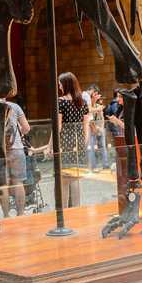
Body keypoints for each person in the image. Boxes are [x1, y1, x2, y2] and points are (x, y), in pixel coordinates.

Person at [57, 72, 89, 207]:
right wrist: (84, 142)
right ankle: (77, 210)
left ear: (66, 84)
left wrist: (51, 144)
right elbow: (86, 126)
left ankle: (63, 212)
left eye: (60, 83)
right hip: (79, 141)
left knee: (64, 179)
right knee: (75, 177)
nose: (59, 86)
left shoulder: (61, 102)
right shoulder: (83, 101)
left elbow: (58, 126)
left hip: (65, 141)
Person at [1, 99, 30, 216]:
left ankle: (6, 216)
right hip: (16, 148)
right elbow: (26, 127)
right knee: (18, 182)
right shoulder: (15, 106)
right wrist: (20, 134)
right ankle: (21, 214)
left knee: (3, 184)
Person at [86, 88, 110, 171]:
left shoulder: (98, 106)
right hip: (90, 129)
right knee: (91, 147)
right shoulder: (88, 106)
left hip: (99, 128)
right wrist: (94, 128)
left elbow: (102, 118)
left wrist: (101, 127)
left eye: (97, 94)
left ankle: (105, 164)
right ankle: (93, 166)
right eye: (95, 94)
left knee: (103, 146)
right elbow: (88, 118)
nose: (97, 96)